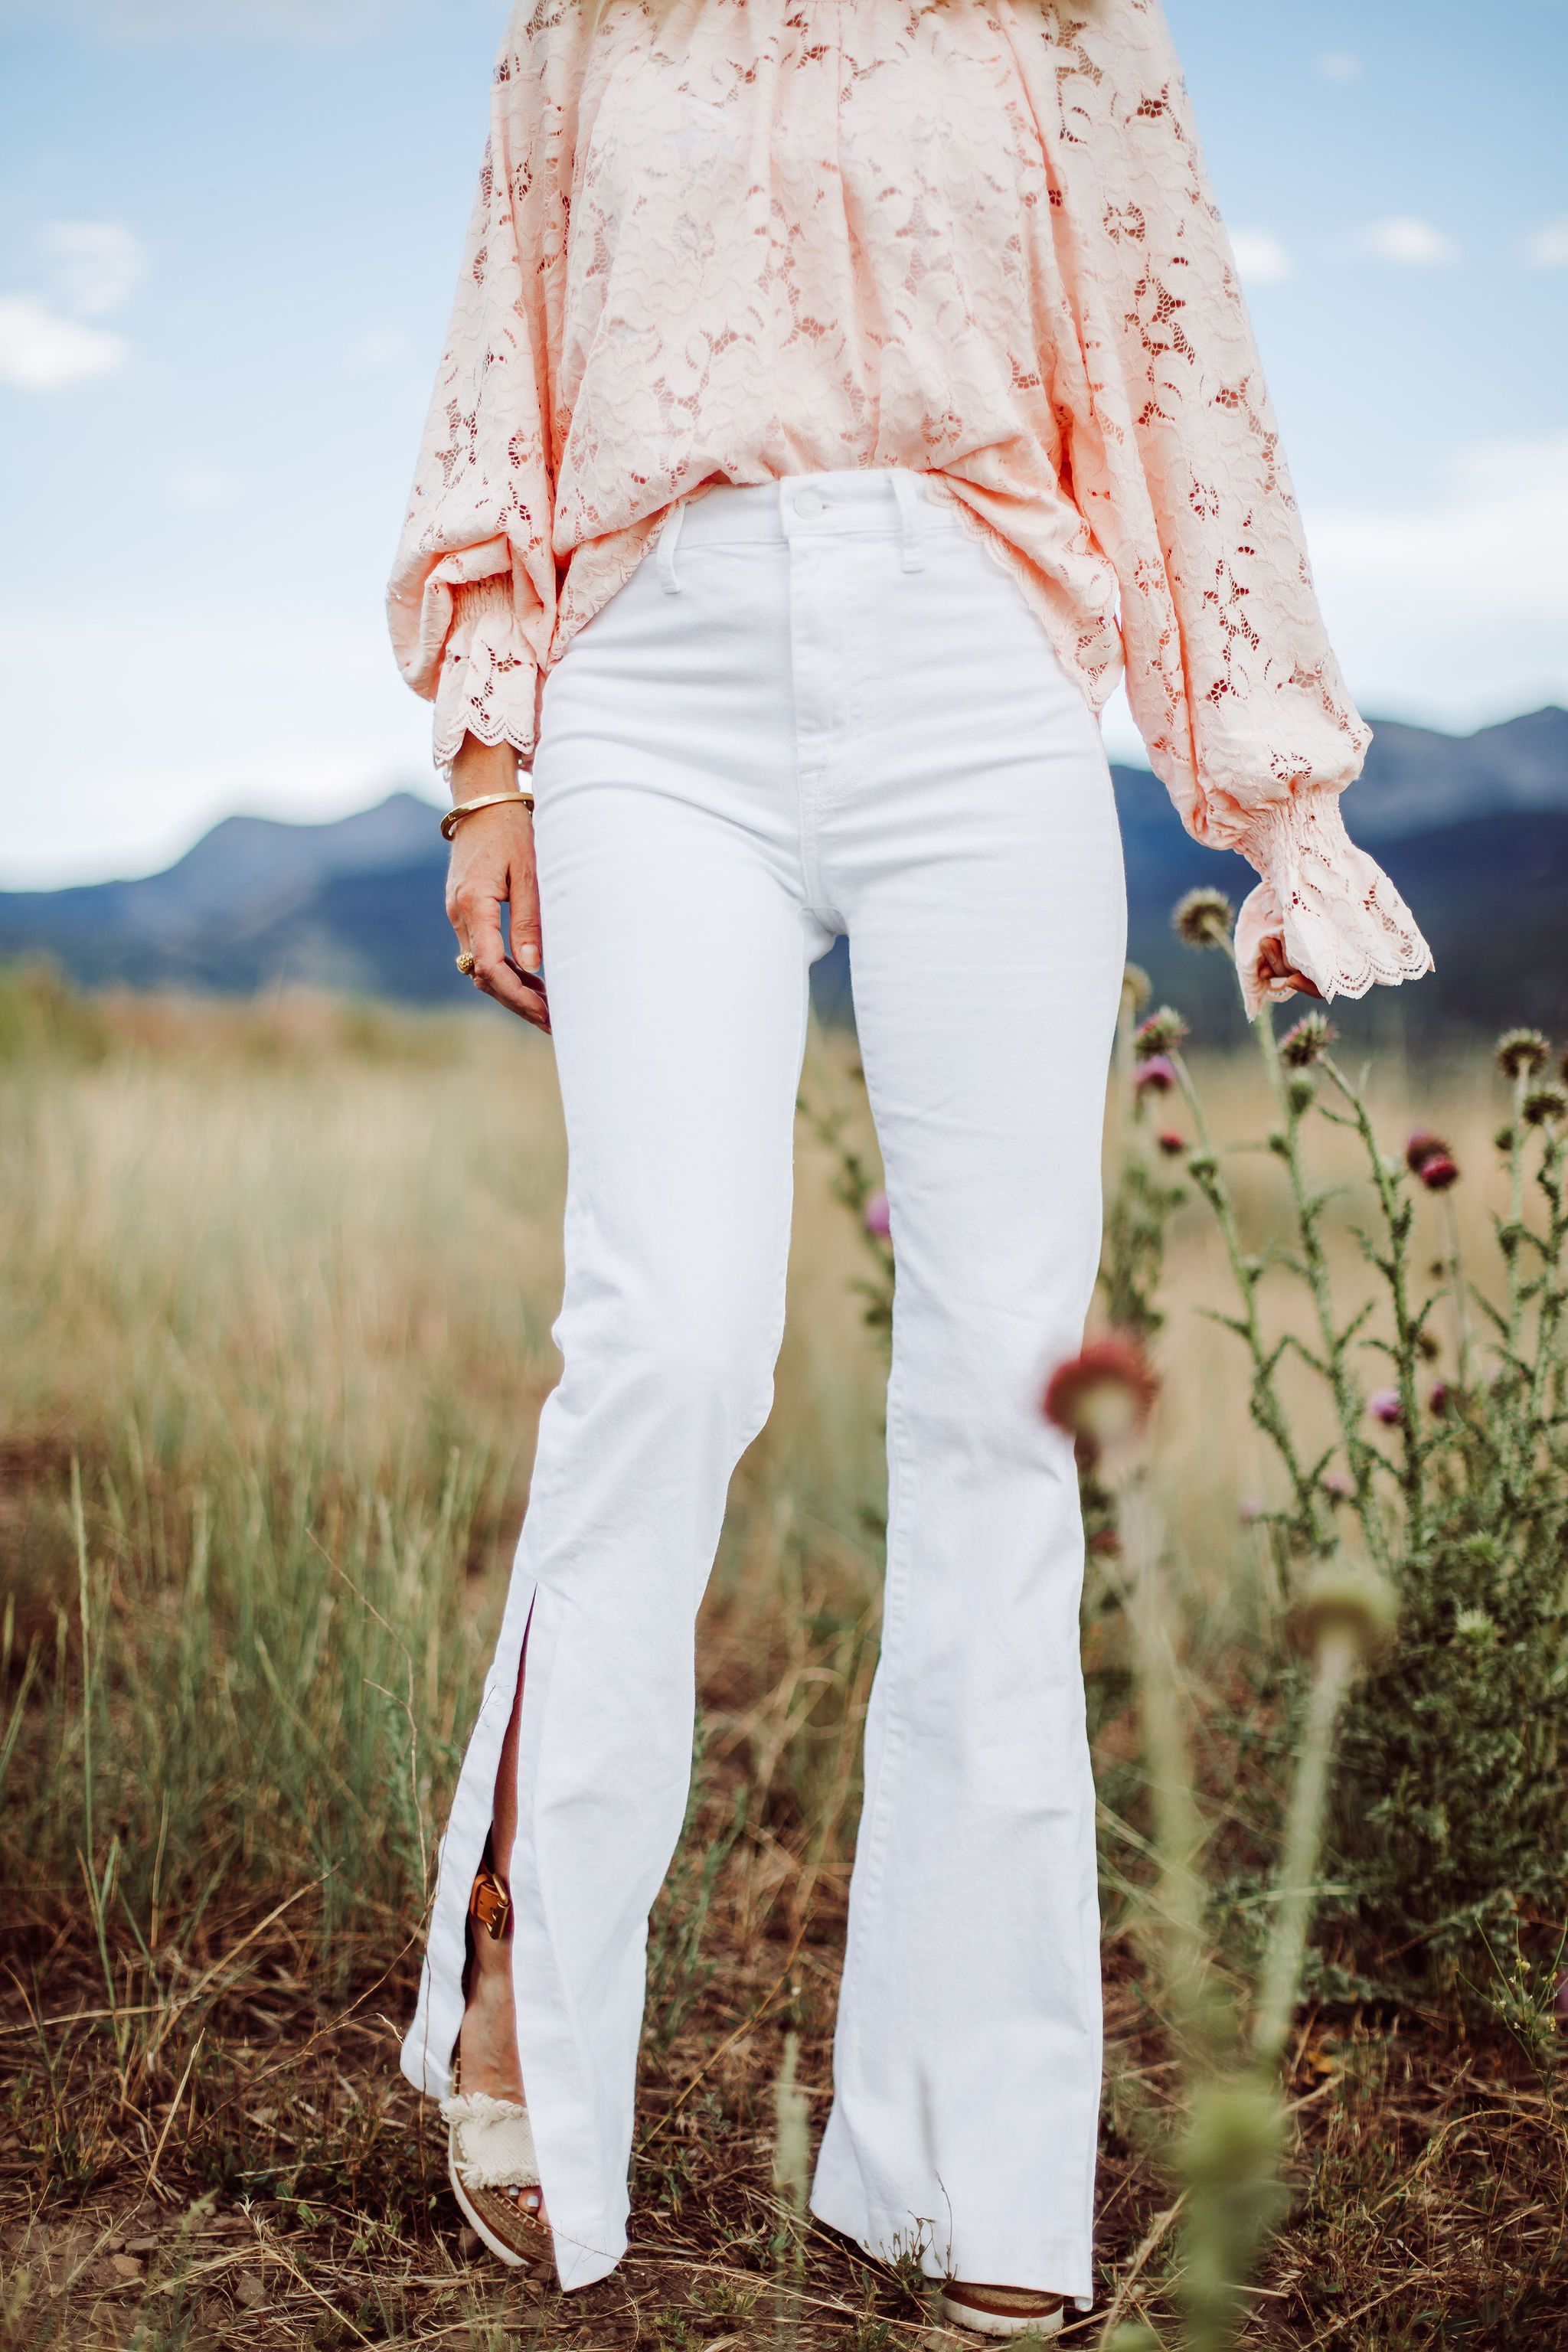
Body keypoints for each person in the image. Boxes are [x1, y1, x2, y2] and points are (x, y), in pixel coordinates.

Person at [386, 0, 1431, 2333]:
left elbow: (1180, 366)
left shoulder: (1064, 21)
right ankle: (525, 1976)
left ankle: (966, 2171)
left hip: (980, 666)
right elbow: (505, 337)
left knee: (998, 1398)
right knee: (667, 1335)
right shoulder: (587, 24)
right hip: (653, 675)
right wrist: (488, 760)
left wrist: (1275, 799)